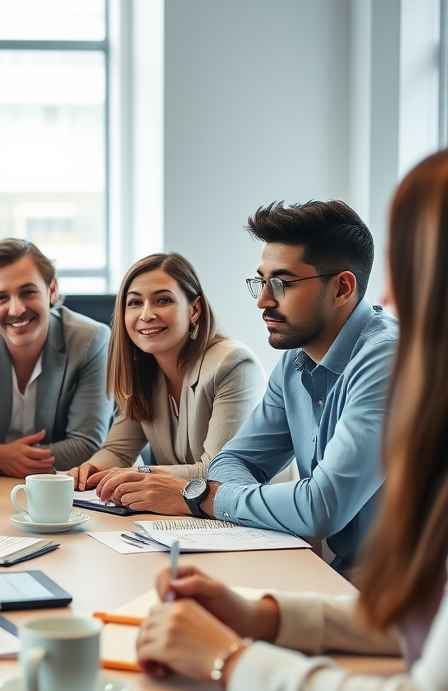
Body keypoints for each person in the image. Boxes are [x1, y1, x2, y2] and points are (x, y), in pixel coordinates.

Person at [124, 130, 448, 691]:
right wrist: (266, 616)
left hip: (396, 682)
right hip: (353, 592)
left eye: (415, 272)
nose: (391, 299)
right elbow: (436, 618)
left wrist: (230, 660)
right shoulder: (311, 363)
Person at [97, 201, 396, 575]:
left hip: (402, 597)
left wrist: (203, 496)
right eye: (261, 281)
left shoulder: (386, 360)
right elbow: (231, 462)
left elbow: (322, 508)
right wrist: (212, 494)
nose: (262, 301)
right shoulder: (295, 360)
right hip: (339, 575)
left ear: (341, 288)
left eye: (281, 284)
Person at [67, 253, 264, 494]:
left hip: (238, 517)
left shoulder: (231, 364)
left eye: (163, 300)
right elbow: (118, 451)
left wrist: (134, 474)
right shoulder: (145, 371)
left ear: (194, 310)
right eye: (135, 303)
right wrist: (92, 469)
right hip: (177, 517)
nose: (146, 314)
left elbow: (217, 471)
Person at [0, 237, 113, 478]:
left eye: (28, 292)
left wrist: (3, 458)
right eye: (0, 297)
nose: (17, 309)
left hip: (62, 487)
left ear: (51, 290)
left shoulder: (91, 340)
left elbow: (86, 447)